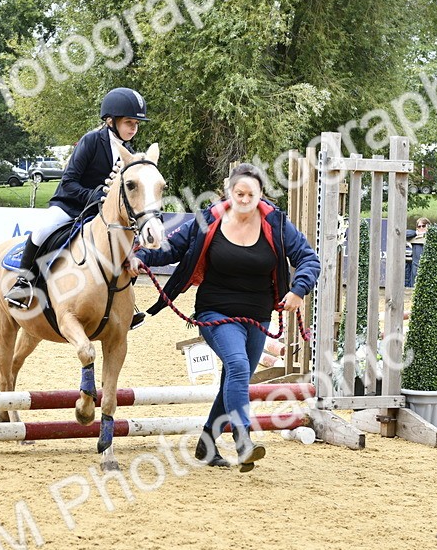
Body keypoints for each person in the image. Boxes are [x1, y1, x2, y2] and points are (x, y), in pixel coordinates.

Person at [128, 163, 320, 471]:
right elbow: (171, 248)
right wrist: (141, 255)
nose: (244, 199)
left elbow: (308, 258)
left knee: (235, 378)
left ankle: (207, 442)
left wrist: (299, 289)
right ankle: (243, 440)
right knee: (239, 366)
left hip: (258, 316)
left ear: (261, 194)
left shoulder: (277, 223)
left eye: (251, 194)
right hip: (215, 311)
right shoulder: (208, 219)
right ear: (228, 192)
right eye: (238, 193)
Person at [5, 87, 149, 332]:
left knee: (123, 248)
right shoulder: (92, 141)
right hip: (70, 205)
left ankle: (124, 305)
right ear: (110, 121)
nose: (133, 128)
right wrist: (93, 196)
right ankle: (23, 284)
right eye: (129, 122)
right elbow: (69, 181)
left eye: (136, 123)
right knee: (42, 231)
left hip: (100, 216)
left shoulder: (130, 154)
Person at [405, 218, 429, 287]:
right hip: (416, 270)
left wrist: (425, 234)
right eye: (419, 226)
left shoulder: (432, 237)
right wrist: (416, 233)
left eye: (423, 226)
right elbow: (403, 233)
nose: (421, 228)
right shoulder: (414, 236)